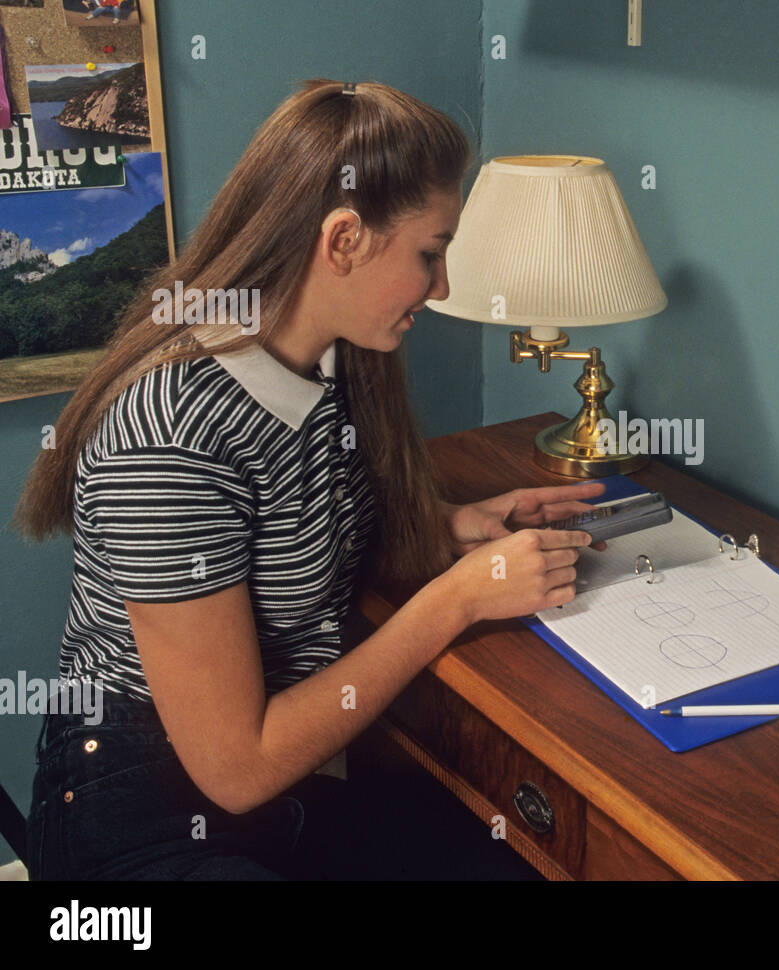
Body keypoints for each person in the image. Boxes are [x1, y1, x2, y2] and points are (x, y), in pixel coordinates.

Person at [11, 79, 603, 879]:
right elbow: (236, 766)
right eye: (432, 253)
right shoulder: (168, 434)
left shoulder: (323, 360)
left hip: (295, 782)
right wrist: (457, 598)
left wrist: (448, 526)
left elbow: (305, 532)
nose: (443, 287)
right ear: (345, 240)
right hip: (143, 800)